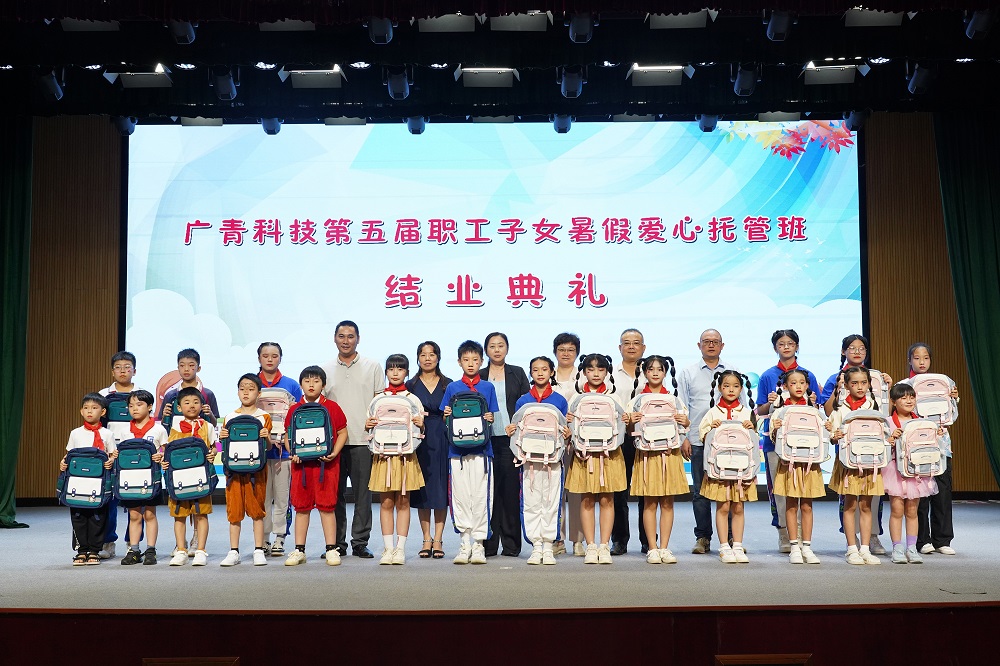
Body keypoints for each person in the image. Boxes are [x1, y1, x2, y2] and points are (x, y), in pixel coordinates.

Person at [818, 334, 892, 555]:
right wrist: (838, 388)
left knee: (870, 502)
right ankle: (852, 544)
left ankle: (870, 540)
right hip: (848, 457)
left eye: (862, 348)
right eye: (852, 348)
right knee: (849, 502)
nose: (859, 387)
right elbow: (829, 415)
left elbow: (886, 420)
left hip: (872, 458)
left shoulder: (876, 396)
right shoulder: (839, 395)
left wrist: (888, 387)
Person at [321, 320, 385, 558]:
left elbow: (380, 403)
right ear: (334, 338)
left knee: (363, 496)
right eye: (341, 336)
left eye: (350, 336)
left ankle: (360, 542)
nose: (346, 341)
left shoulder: (373, 366)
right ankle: (337, 543)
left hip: (363, 440)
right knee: (334, 495)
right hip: (334, 444)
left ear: (358, 339)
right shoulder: (325, 369)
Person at [755, 329, 821, 554]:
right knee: (780, 490)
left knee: (804, 491)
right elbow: (760, 410)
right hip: (775, 444)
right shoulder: (767, 376)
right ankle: (783, 532)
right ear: (775, 347)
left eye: (790, 343)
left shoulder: (808, 375)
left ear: (797, 346)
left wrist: (813, 401)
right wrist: (770, 402)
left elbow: (817, 408)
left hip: (806, 443)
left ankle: (801, 533)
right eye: (781, 344)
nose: (786, 347)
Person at [677, 329, 740, 555]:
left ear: (722, 345)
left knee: (730, 490)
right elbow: (682, 407)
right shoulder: (688, 373)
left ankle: (731, 536)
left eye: (715, 342)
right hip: (697, 439)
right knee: (700, 491)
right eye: (706, 341)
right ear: (699, 345)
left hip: (729, 442)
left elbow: (742, 405)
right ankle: (703, 537)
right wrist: (684, 437)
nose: (711, 345)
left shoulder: (732, 371)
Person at [506, 355, 570, 565]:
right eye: (535, 369)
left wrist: (568, 434)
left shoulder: (560, 400)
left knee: (551, 502)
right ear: (531, 373)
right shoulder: (523, 401)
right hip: (529, 462)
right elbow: (516, 429)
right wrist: (510, 430)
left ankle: (549, 545)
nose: (540, 373)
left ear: (552, 372)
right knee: (531, 502)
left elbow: (565, 431)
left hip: (553, 462)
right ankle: (536, 546)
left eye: (544, 369)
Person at [566, 353, 628, 565]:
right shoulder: (576, 398)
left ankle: (604, 545)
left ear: (607, 372)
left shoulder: (614, 398)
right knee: (586, 499)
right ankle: (591, 545)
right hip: (584, 455)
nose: (595, 374)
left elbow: (622, 427)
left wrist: (627, 420)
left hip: (609, 455)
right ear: (584, 372)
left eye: (600, 369)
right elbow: (570, 428)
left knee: (607, 499)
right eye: (591, 369)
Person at [441, 340, 500, 565]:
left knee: (481, 496)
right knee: (461, 496)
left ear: (482, 361)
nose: (471, 364)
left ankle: (478, 545)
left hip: (483, 451)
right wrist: (446, 415)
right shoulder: (452, 387)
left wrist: (490, 418)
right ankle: (464, 543)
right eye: (466, 360)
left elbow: (492, 416)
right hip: (457, 453)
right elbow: (445, 418)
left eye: (475, 360)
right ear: (459, 362)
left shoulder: (488, 387)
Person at [627, 356, 690, 565]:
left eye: (660, 369)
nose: (655, 373)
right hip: (646, 455)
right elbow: (628, 430)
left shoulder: (674, 400)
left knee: (667, 502)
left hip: (670, 454)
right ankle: (652, 548)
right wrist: (630, 422)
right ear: (644, 372)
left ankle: (664, 547)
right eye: (651, 369)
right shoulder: (636, 400)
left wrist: (685, 421)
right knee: (649, 502)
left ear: (665, 372)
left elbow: (684, 427)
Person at [284, 366, 348, 566]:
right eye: (307, 381)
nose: (311, 385)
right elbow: (288, 435)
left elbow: (342, 432)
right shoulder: (294, 409)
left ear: (323, 385)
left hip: (326, 466)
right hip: (301, 467)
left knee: (327, 507)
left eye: (316, 381)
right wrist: (293, 452)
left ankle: (331, 549)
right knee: (301, 507)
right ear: (301, 384)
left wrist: (334, 453)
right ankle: (299, 550)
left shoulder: (333, 407)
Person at [366, 354, 425, 566]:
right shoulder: (377, 399)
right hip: (383, 457)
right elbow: (369, 427)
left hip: (405, 457)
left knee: (403, 501)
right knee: (386, 502)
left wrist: (421, 423)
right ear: (386, 372)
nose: (395, 373)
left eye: (400, 369)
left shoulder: (413, 399)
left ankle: (400, 549)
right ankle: (388, 548)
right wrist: (368, 425)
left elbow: (419, 430)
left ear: (407, 372)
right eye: (391, 369)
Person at [902, 342, 960, 556]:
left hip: (941, 445)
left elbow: (951, 415)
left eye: (925, 358)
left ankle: (942, 539)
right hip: (915, 446)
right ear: (909, 360)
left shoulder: (944, 384)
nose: (922, 362)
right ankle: (922, 540)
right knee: (919, 493)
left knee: (942, 491)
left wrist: (953, 397)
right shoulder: (904, 385)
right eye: (917, 358)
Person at [827, 366, 886, 565]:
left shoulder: (875, 406)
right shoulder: (839, 409)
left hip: (871, 463)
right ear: (846, 385)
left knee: (866, 506)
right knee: (850, 504)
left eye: (863, 383)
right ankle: (852, 548)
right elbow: (832, 436)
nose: (860, 387)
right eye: (854, 383)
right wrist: (834, 436)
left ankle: (866, 549)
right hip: (848, 463)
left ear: (869, 384)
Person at [481, 332, 530, 558]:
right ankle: (489, 544)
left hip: (511, 440)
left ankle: (511, 544)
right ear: (486, 350)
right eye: (492, 346)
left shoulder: (517, 373)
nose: (497, 350)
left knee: (510, 492)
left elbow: (525, 405)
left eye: (501, 345)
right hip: (485, 440)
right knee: (489, 492)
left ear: (507, 349)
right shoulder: (480, 375)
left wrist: (518, 427)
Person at [699, 370, 757, 564]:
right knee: (723, 506)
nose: (731, 390)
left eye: (735, 386)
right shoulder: (713, 412)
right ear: (719, 388)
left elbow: (754, 440)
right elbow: (703, 436)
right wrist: (710, 428)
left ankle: (738, 545)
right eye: (726, 386)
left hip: (741, 470)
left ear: (741, 389)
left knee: (738, 507)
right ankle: (724, 546)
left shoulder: (747, 412)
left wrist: (751, 428)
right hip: (720, 470)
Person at [768, 369, 824, 564]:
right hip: (788, 463)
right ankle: (794, 546)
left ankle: (806, 546)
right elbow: (774, 438)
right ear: (785, 386)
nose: (798, 386)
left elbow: (823, 434)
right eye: (793, 383)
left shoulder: (813, 410)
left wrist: (828, 428)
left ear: (807, 385)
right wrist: (775, 427)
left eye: (802, 382)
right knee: (791, 504)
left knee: (807, 505)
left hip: (809, 463)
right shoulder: (780, 410)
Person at [218, 374, 272, 567]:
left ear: (259, 393)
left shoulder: (263, 417)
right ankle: (234, 551)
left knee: (257, 511)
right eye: (242, 388)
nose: (246, 392)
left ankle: (259, 549)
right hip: (234, 473)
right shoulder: (230, 417)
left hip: (257, 472)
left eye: (251, 389)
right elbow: (223, 448)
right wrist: (222, 437)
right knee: (234, 512)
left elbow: (268, 447)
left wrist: (266, 437)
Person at [884, 382, 941, 564]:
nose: (909, 401)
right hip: (895, 471)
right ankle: (897, 548)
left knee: (912, 511)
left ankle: (912, 548)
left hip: (916, 472)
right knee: (897, 510)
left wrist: (938, 434)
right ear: (893, 401)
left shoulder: (922, 422)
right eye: (903, 397)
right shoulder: (888, 422)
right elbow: (883, 446)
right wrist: (890, 439)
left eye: (912, 397)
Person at [256, 342, 302, 558]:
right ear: (259, 358)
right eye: (265, 355)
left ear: (280, 358)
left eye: (274, 356)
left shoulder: (291, 385)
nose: (269, 359)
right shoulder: (252, 383)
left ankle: (279, 538)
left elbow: (298, 417)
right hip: (259, 454)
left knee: (283, 499)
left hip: (284, 453)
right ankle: (263, 538)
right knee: (263, 499)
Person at [406, 341, 451, 560]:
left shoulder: (447, 384)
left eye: (431, 354)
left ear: (438, 357)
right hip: (418, 439)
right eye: (423, 354)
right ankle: (426, 538)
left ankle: (439, 538)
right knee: (421, 489)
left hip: (442, 437)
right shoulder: (410, 385)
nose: (427, 358)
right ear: (417, 358)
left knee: (440, 488)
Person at [163, 386, 218, 566]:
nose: (192, 406)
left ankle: (201, 550)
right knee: (179, 515)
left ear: (202, 406)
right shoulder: (173, 427)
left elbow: (216, 446)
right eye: (187, 402)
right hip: (179, 479)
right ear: (179, 407)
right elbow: (166, 451)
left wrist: (212, 454)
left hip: (200, 478)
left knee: (201, 514)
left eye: (196, 402)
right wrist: (164, 462)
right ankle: (181, 550)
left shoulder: (208, 426)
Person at [97, 350, 143, 560]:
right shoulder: (103, 395)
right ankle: (108, 542)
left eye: (127, 367)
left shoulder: (142, 393)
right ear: (112, 371)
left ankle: (132, 542)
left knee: (137, 499)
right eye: (118, 368)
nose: (123, 371)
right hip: (110, 454)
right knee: (109, 499)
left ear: (134, 370)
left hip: (135, 453)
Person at [61, 393, 116, 565]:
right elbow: (70, 455)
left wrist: (111, 461)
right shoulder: (75, 433)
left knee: (98, 515)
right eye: (86, 408)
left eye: (94, 408)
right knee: (78, 514)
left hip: (98, 482)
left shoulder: (107, 434)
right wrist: (63, 463)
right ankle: (81, 550)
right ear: (81, 411)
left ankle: (94, 550)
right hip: (78, 481)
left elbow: (112, 455)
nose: (89, 411)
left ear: (103, 412)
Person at [118, 390, 168, 566]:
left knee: (149, 514)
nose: (134, 409)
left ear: (150, 407)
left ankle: (151, 550)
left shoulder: (159, 429)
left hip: (151, 479)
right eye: (131, 406)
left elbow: (165, 450)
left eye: (139, 405)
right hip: (130, 480)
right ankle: (134, 550)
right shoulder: (125, 430)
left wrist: (161, 455)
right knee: (134, 515)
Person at [610, 328, 647, 556]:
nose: (631, 346)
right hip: (619, 437)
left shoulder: (651, 372)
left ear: (643, 347)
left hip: (646, 438)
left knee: (646, 490)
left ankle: (647, 540)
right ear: (620, 347)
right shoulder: (611, 374)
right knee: (619, 491)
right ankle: (619, 540)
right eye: (626, 342)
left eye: (636, 342)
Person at [552, 332, 584, 557]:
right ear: (555, 352)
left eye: (570, 350)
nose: (566, 353)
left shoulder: (583, 377)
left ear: (577, 353)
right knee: (555, 492)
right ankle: (558, 538)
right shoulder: (546, 374)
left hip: (580, 440)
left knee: (577, 492)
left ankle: (578, 540)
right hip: (553, 441)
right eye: (561, 349)